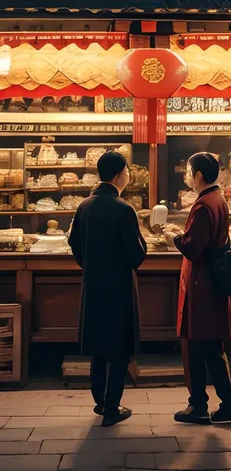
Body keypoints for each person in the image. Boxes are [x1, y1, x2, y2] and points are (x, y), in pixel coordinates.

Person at [69, 151, 146, 427]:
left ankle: (101, 404)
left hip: (93, 285)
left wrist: (90, 264)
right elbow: (136, 256)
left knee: (99, 347)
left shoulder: (84, 206)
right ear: (117, 174)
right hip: (119, 288)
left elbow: (74, 244)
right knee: (120, 348)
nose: (128, 176)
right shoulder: (124, 209)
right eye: (126, 171)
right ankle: (112, 408)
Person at [169, 151, 231, 425]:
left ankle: (199, 405)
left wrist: (175, 238)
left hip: (202, 286)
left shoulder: (203, 205)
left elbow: (193, 247)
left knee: (197, 347)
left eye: (190, 172)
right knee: (213, 348)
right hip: (214, 284)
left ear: (199, 175)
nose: (188, 177)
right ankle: (227, 404)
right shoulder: (218, 198)